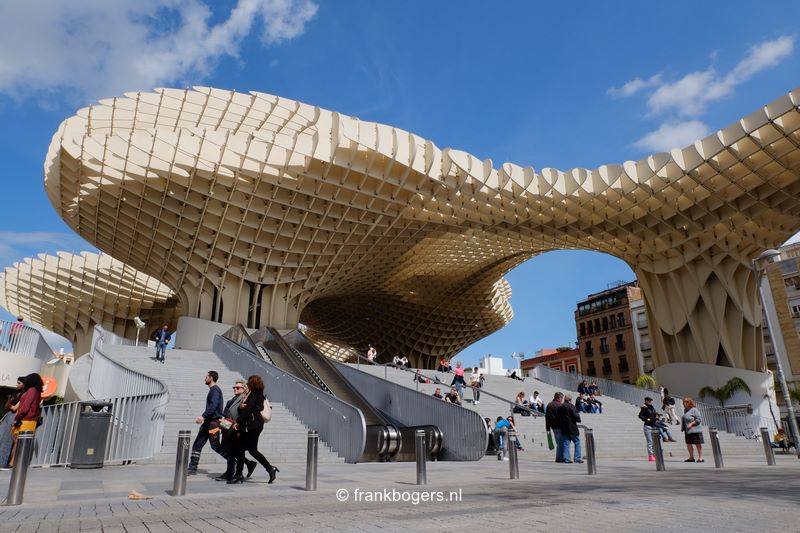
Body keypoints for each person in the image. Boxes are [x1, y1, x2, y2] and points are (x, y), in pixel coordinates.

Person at [231, 374, 278, 484]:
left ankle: (269, 469)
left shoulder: (255, 395)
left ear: (252, 384)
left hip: (253, 426)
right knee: (245, 449)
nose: (247, 384)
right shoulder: (257, 394)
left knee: (249, 450)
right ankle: (240, 474)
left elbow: (249, 410)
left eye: (248, 382)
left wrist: (238, 422)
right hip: (253, 426)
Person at [187, 371, 227, 475]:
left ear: (211, 378)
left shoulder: (215, 391)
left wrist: (203, 416)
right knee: (197, 445)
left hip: (213, 423)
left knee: (216, 447)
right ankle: (192, 468)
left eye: (206, 377)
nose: (205, 379)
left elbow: (213, 406)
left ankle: (233, 461)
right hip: (208, 423)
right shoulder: (213, 390)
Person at [217, 380, 257, 482]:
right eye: (234, 387)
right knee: (230, 452)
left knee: (233, 453)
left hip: (236, 430)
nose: (235, 389)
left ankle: (233, 473)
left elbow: (242, 415)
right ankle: (239, 469)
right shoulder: (232, 400)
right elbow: (226, 413)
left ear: (244, 389)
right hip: (228, 428)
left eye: (238, 387)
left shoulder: (244, 400)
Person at [0, 377, 25, 469]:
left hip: (14, 417)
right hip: (9, 415)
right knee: (3, 438)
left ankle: (3, 463)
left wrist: (10, 403)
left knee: (8, 440)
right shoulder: (16, 393)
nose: (17, 385)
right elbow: (7, 407)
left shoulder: (24, 395)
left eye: (19, 383)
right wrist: (9, 400)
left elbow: (15, 409)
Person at [557, 394, 583, 463]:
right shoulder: (572, 406)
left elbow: (557, 418)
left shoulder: (560, 407)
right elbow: (577, 417)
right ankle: (577, 458)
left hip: (564, 428)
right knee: (577, 442)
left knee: (566, 443)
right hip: (572, 428)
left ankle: (567, 458)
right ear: (570, 400)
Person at [681, 397, 704, 462]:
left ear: (689, 403)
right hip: (687, 430)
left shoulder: (694, 410)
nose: (683, 403)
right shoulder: (685, 410)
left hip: (695, 430)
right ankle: (691, 457)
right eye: (683, 402)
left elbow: (699, 419)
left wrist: (691, 424)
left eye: (684, 402)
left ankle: (700, 458)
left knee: (698, 444)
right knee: (688, 444)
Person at [545, 392, 564, 462]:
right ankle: (560, 457)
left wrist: (547, 428)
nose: (562, 400)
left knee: (558, 442)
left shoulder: (549, 405)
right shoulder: (560, 405)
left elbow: (547, 417)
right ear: (559, 398)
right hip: (560, 426)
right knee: (561, 443)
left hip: (553, 427)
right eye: (562, 398)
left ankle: (560, 457)